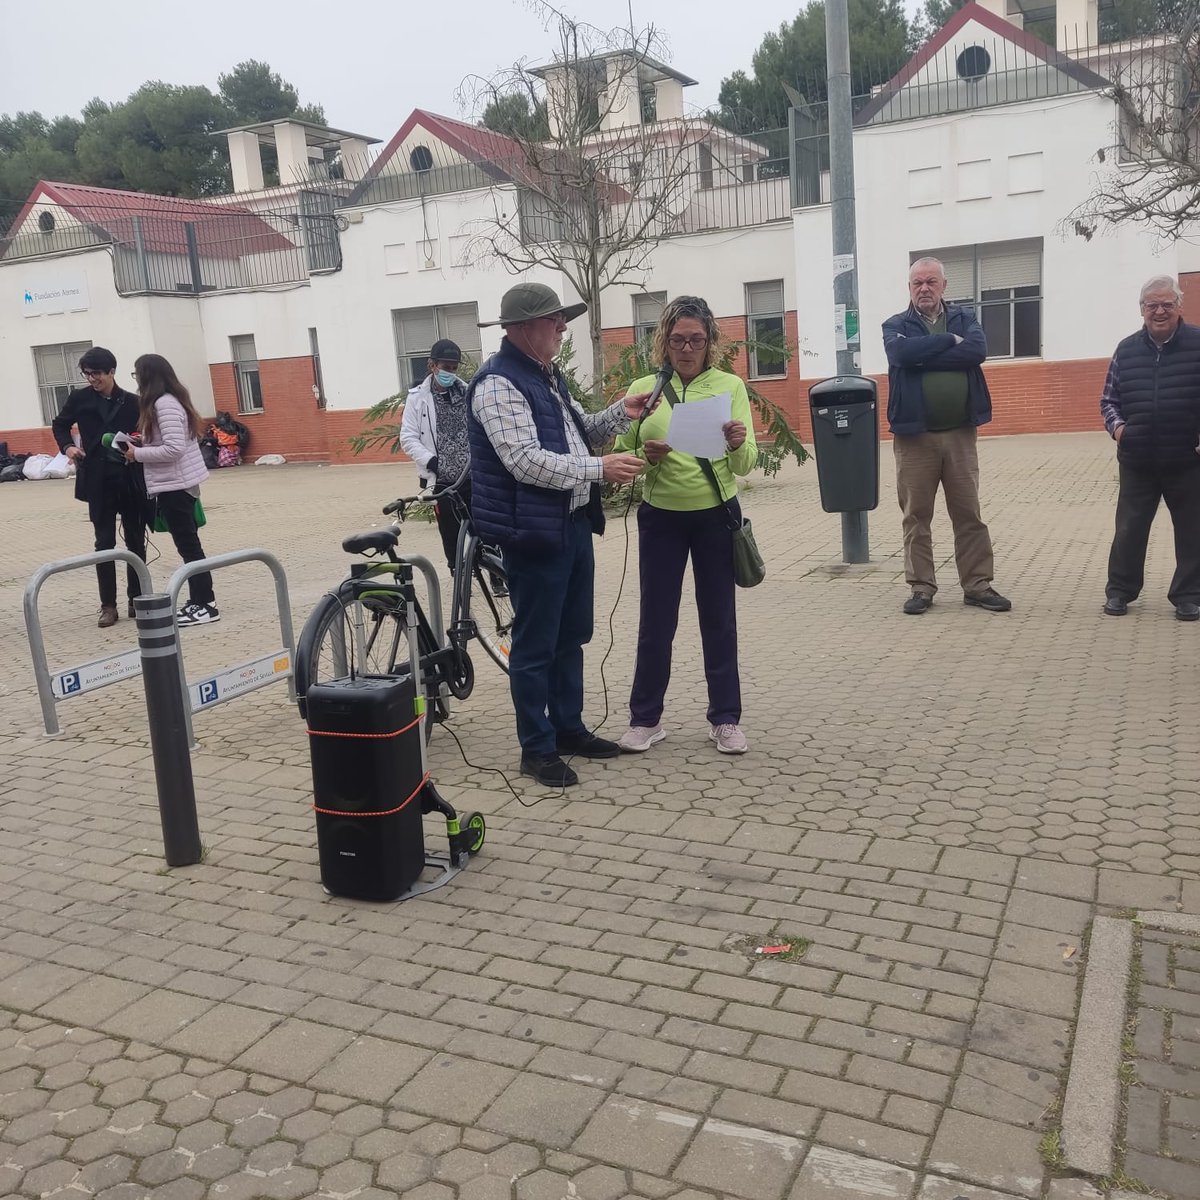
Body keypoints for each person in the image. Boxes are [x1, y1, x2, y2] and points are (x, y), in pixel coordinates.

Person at [467, 282, 652, 787]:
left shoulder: (544, 376)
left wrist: (621, 414)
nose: (563, 327)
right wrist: (599, 469)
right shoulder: (498, 383)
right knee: (535, 644)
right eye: (555, 320)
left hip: (567, 525)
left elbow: (576, 434)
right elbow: (525, 462)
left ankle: (568, 728)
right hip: (533, 531)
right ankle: (537, 748)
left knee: (571, 636)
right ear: (524, 329)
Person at [614, 295, 757, 756]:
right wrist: (642, 455)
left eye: (696, 339)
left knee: (719, 619)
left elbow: (747, 461)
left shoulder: (730, 386)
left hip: (716, 514)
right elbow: (623, 449)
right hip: (662, 518)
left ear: (710, 340)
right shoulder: (645, 387)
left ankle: (726, 719)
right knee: (656, 621)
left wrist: (736, 442)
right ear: (664, 342)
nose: (686, 348)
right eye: (677, 340)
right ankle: (645, 719)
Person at [882, 257, 1011, 616]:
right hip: (914, 438)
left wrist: (925, 354)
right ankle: (921, 587)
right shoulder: (895, 325)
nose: (924, 289)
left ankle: (978, 585)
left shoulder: (965, 320)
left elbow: (977, 351)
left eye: (930, 282)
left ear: (943, 285)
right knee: (916, 515)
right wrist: (947, 344)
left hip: (960, 435)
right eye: (917, 283)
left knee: (968, 512)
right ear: (909, 288)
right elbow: (900, 353)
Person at [1101, 275, 1200, 621]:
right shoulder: (1126, 349)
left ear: (1178, 307)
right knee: (1129, 528)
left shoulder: (1198, 344)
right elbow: (1109, 400)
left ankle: (1189, 595)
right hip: (1137, 458)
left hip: (1187, 458)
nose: (1159, 311)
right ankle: (1120, 591)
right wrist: (1120, 431)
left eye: (1166, 304)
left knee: (1192, 530)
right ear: (1141, 310)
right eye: (1151, 305)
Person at [51, 347, 148, 628]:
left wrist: (138, 441)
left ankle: (137, 599)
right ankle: (108, 605)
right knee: (104, 543)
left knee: (135, 541)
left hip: (130, 478)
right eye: (87, 374)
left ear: (111, 372)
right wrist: (68, 446)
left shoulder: (134, 402)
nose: (91, 379)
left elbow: (146, 433)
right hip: (98, 480)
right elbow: (60, 425)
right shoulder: (80, 399)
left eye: (97, 374)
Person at [124, 354, 219, 627]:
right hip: (175, 484)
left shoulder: (164, 405)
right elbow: (169, 441)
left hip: (175, 486)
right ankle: (198, 600)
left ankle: (206, 604)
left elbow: (174, 449)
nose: (137, 382)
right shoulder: (168, 402)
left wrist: (137, 453)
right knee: (189, 547)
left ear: (148, 376)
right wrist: (140, 442)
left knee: (190, 548)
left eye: (137, 375)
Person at [399, 338, 475, 570]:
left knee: (485, 528)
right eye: (445, 367)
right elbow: (408, 438)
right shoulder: (417, 398)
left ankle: (494, 574)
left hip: (472, 475)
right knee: (451, 535)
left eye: (454, 368)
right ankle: (458, 577)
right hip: (442, 480)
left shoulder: (468, 393)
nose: (450, 373)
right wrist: (432, 462)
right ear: (432, 365)